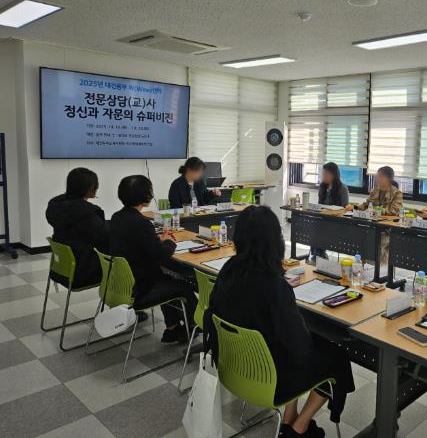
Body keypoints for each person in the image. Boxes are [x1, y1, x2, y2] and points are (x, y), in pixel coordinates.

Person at [205, 206, 354, 437]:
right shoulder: (273, 285)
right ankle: (299, 427)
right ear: (275, 241)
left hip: (235, 368)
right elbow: (300, 346)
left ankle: (288, 420)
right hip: (270, 378)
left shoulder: (229, 269)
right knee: (336, 355)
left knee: (291, 344)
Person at [110, 175, 198, 343]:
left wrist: (157, 240)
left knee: (167, 278)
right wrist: (169, 242)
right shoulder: (141, 223)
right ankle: (194, 327)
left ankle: (173, 328)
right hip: (140, 287)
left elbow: (136, 243)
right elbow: (162, 255)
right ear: (145, 195)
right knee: (183, 285)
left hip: (121, 284)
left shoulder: (117, 217)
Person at [45, 168, 109, 287]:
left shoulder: (56, 206)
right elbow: (106, 238)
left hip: (61, 270)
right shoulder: (87, 214)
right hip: (82, 273)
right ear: (90, 188)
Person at [311, 163, 350, 260]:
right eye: (323, 173)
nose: (323, 176)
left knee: (320, 228)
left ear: (333, 175)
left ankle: (318, 255)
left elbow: (345, 209)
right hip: (323, 219)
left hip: (336, 221)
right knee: (314, 225)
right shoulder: (322, 186)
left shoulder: (342, 188)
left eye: (326, 174)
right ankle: (318, 255)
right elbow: (320, 205)